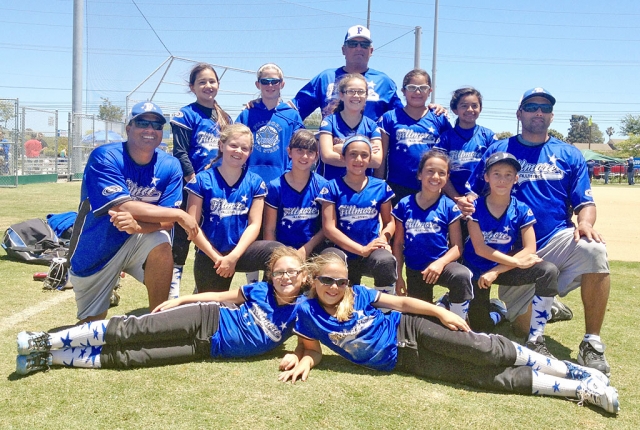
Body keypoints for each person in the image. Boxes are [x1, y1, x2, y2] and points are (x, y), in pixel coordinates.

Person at [278, 253, 619, 414]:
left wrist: (441, 311)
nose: (334, 287)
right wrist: (305, 360)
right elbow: (312, 348)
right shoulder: (306, 313)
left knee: (482, 350)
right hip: (406, 361)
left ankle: (572, 370)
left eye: (340, 281)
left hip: (410, 330)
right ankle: (579, 390)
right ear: (314, 280)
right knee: (483, 378)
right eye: (327, 281)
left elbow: (403, 303)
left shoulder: (359, 296)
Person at [466, 88, 612, 375]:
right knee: (522, 327)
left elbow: (585, 202)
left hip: (556, 239)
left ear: (551, 115)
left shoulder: (568, 153)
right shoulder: (499, 150)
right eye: (531, 107)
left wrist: (585, 223)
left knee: (595, 251)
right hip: (511, 252)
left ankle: (591, 343)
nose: (538, 113)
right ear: (520, 113)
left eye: (544, 108)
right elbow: (474, 192)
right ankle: (549, 305)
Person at [16, 247, 306, 375]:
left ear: (303, 277)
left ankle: (49, 359)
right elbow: (219, 295)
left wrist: (298, 355)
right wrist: (180, 301)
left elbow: (310, 346)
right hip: (206, 320)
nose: (286, 278)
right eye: (280, 272)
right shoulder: (259, 291)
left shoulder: (301, 312)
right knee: (134, 331)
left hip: (206, 349)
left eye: (292, 273)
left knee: (134, 357)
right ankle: (44, 340)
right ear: (271, 275)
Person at [69, 101, 199, 324]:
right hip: (98, 247)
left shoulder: (170, 165)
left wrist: (139, 227)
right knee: (91, 329)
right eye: (142, 122)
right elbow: (122, 207)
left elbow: (166, 223)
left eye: (157, 125)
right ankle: (107, 289)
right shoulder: (105, 156)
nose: (150, 130)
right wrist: (180, 215)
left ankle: (156, 321)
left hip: (139, 240)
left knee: (161, 242)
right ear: (128, 128)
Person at [463, 152, 559, 357]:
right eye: (496, 173)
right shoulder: (475, 207)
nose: (502, 179)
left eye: (509, 174)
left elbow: (530, 249)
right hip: (476, 271)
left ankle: (536, 337)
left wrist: (498, 270)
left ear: (516, 179)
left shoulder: (522, 209)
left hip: (501, 269)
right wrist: (515, 261)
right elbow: (480, 248)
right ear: (486, 177)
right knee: (482, 331)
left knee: (547, 270)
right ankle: (498, 312)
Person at [185, 123, 282, 293]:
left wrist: (233, 257)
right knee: (212, 311)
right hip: (210, 254)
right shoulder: (202, 180)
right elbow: (191, 226)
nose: (238, 151)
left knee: (276, 251)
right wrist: (218, 258)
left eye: (244, 148)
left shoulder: (255, 182)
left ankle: (267, 298)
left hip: (241, 252)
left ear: (250, 152)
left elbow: (254, 225)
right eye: (233, 145)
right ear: (221, 146)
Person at [170, 63, 232, 299]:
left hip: (217, 188)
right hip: (191, 188)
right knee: (183, 237)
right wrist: (193, 180)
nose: (208, 86)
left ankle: (202, 289)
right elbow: (180, 152)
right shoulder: (186, 114)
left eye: (212, 81)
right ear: (192, 87)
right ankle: (173, 292)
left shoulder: (224, 116)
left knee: (207, 238)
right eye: (202, 82)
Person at [391, 150, 473, 319]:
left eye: (442, 173)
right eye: (430, 171)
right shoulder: (405, 205)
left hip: (442, 267)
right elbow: (398, 244)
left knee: (462, 275)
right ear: (419, 174)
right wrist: (399, 277)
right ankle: (442, 304)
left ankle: (460, 328)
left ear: (447, 177)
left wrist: (440, 263)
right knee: (422, 321)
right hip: (416, 271)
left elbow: (457, 247)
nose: (435, 176)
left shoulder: (449, 206)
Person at [317, 135, 396, 297]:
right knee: (331, 263)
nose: (358, 159)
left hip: (371, 250)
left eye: (364, 155)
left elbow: (390, 222)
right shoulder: (332, 187)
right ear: (343, 157)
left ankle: (386, 310)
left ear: (370, 159)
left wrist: (383, 239)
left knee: (386, 261)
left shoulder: (380, 186)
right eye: (353, 154)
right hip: (343, 250)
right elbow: (329, 228)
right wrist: (360, 249)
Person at [291, 25, 403, 122]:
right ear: (343, 49)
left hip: (369, 144)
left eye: (364, 44)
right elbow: (293, 112)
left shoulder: (384, 82)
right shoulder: (326, 78)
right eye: (353, 44)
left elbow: (399, 119)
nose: (359, 48)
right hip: (331, 145)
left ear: (371, 51)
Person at [376, 69, 453, 203]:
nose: (417, 92)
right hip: (397, 185)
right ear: (403, 91)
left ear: (430, 91)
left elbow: (447, 155)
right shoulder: (390, 118)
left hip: (431, 185)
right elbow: (381, 157)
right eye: (412, 88)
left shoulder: (439, 117)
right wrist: (378, 185)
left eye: (423, 88)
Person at [263, 129, 329, 259]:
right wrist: (277, 257)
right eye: (299, 150)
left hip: (313, 251)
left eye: (310, 152)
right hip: (281, 252)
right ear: (289, 152)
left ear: (316, 156)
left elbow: (326, 227)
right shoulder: (275, 186)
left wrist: (306, 249)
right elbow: (269, 229)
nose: (304, 156)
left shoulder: (323, 186)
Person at [236, 63, 304, 184]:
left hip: (282, 182)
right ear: (258, 84)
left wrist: (289, 173)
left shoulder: (292, 116)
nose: (270, 85)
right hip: (248, 182)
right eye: (265, 81)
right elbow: (233, 145)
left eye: (275, 81)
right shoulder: (247, 114)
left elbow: (301, 149)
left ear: (282, 84)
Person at [317, 74, 383, 180]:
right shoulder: (329, 122)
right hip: (332, 187)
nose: (356, 95)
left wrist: (340, 148)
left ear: (366, 96)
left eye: (361, 92)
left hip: (361, 190)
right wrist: (364, 152)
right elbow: (327, 156)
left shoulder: (372, 126)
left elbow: (376, 161)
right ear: (342, 95)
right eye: (351, 91)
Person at [435, 87, 495, 201]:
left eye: (474, 105)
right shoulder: (446, 138)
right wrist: (457, 199)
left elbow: (495, 171)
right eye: (464, 106)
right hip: (451, 199)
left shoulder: (488, 136)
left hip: (482, 200)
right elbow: (439, 171)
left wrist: (476, 197)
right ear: (455, 110)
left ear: (480, 108)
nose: (470, 109)